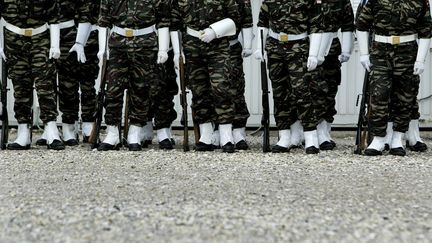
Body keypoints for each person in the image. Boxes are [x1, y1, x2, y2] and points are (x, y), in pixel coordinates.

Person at [356, 0, 432, 156]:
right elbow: (362, 25)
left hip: (407, 52)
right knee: (379, 94)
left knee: (404, 97)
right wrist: (363, 54)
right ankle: (378, 138)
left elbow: (426, 30)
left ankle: (398, 138)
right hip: (380, 52)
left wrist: (420, 59)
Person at [97, 0, 170, 151]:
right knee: (113, 89)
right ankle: (112, 133)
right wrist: (102, 48)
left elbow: (163, 21)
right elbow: (104, 21)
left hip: (146, 44)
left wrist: (163, 49)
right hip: (118, 44)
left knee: (141, 90)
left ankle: (134, 132)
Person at [171, 0, 240, 153]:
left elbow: (235, 18)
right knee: (199, 89)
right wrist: (177, 52)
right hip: (192, 45)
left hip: (218, 45)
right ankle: (206, 134)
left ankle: (226, 133)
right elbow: (175, 23)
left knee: (221, 87)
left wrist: (215, 31)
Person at [255, 0, 323, 154]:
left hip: (298, 48)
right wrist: (259, 46)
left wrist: (314, 53)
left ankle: (311, 136)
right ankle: (284, 135)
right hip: (275, 48)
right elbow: (263, 23)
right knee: (280, 93)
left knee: (302, 92)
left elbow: (317, 26)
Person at [2, 0, 65, 150]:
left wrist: (55, 45)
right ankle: (23, 130)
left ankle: (51, 129)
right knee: (20, 85)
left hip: (40, 39)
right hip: (13, 39)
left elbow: (54, 17)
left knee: (45, 84)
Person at [36, 0, 100, 146]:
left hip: (81, 31)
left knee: (83, 80)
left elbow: (86, 10)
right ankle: (58, 126)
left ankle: (81, 124)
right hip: (48, 32)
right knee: (52, 81)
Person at [314, 0, 354, 150]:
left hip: (331, 47)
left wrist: (347, 49)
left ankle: (324, 130)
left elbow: (348, 24)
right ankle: (304, 130)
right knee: (307, 89)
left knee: (329, 89)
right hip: (305, 45)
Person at [226, 0, 253, 150]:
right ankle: (217, 129)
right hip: (207, 48)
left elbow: (247, 20)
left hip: (231, 47)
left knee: (236, 88)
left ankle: (238, 130)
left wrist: (248, 44)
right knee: (212, 90)